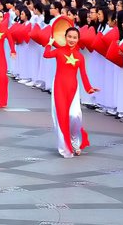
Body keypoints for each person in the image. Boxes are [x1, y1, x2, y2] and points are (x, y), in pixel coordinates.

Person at [43, 26, 99, 158]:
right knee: (61, 117)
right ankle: (65, 148)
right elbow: (46, 54)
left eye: (75, 37)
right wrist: (49, 44)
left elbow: (83, 74)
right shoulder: (58, 51)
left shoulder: (80, 56)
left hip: (73, 89)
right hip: (59, 88)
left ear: (78, 39)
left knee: (75, 115)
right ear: (65, 37)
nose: (72, 40)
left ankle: (74, 141)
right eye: (69, 37)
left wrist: (89, 88)